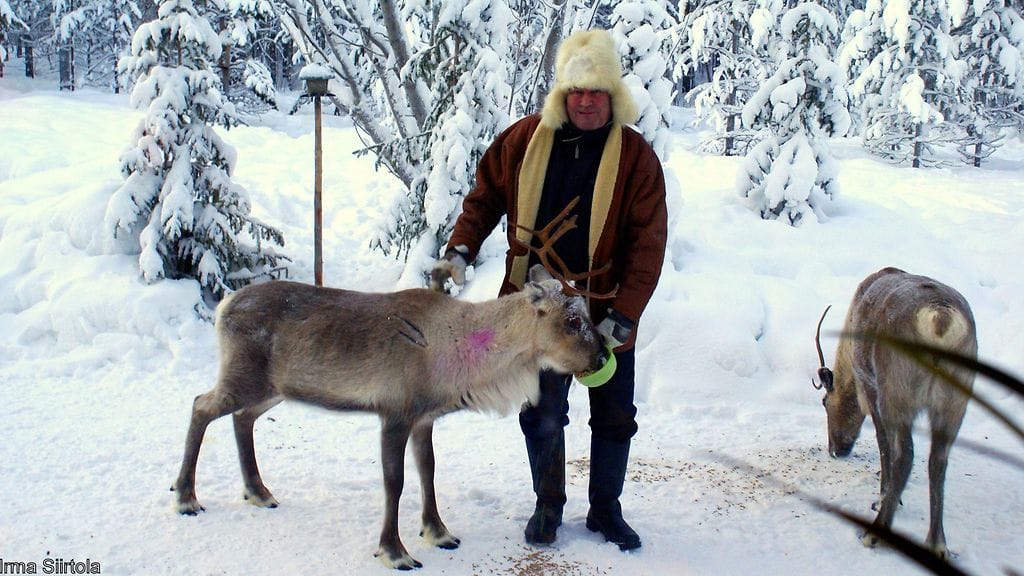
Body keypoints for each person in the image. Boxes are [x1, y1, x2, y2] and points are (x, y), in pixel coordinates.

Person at [431, 29, 667, 551]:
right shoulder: (523, 141)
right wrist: (462, 249)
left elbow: (648, 245)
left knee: (614, 416)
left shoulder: (635, 158)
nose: (585, 101)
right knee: (539, 412)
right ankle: (548, 504)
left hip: (605, 306)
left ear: (612, 96)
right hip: (536, 311)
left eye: (596, 91)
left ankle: (606, 510)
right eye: (576, 90)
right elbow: (483, 198)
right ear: (563, 94)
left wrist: (624, 314)